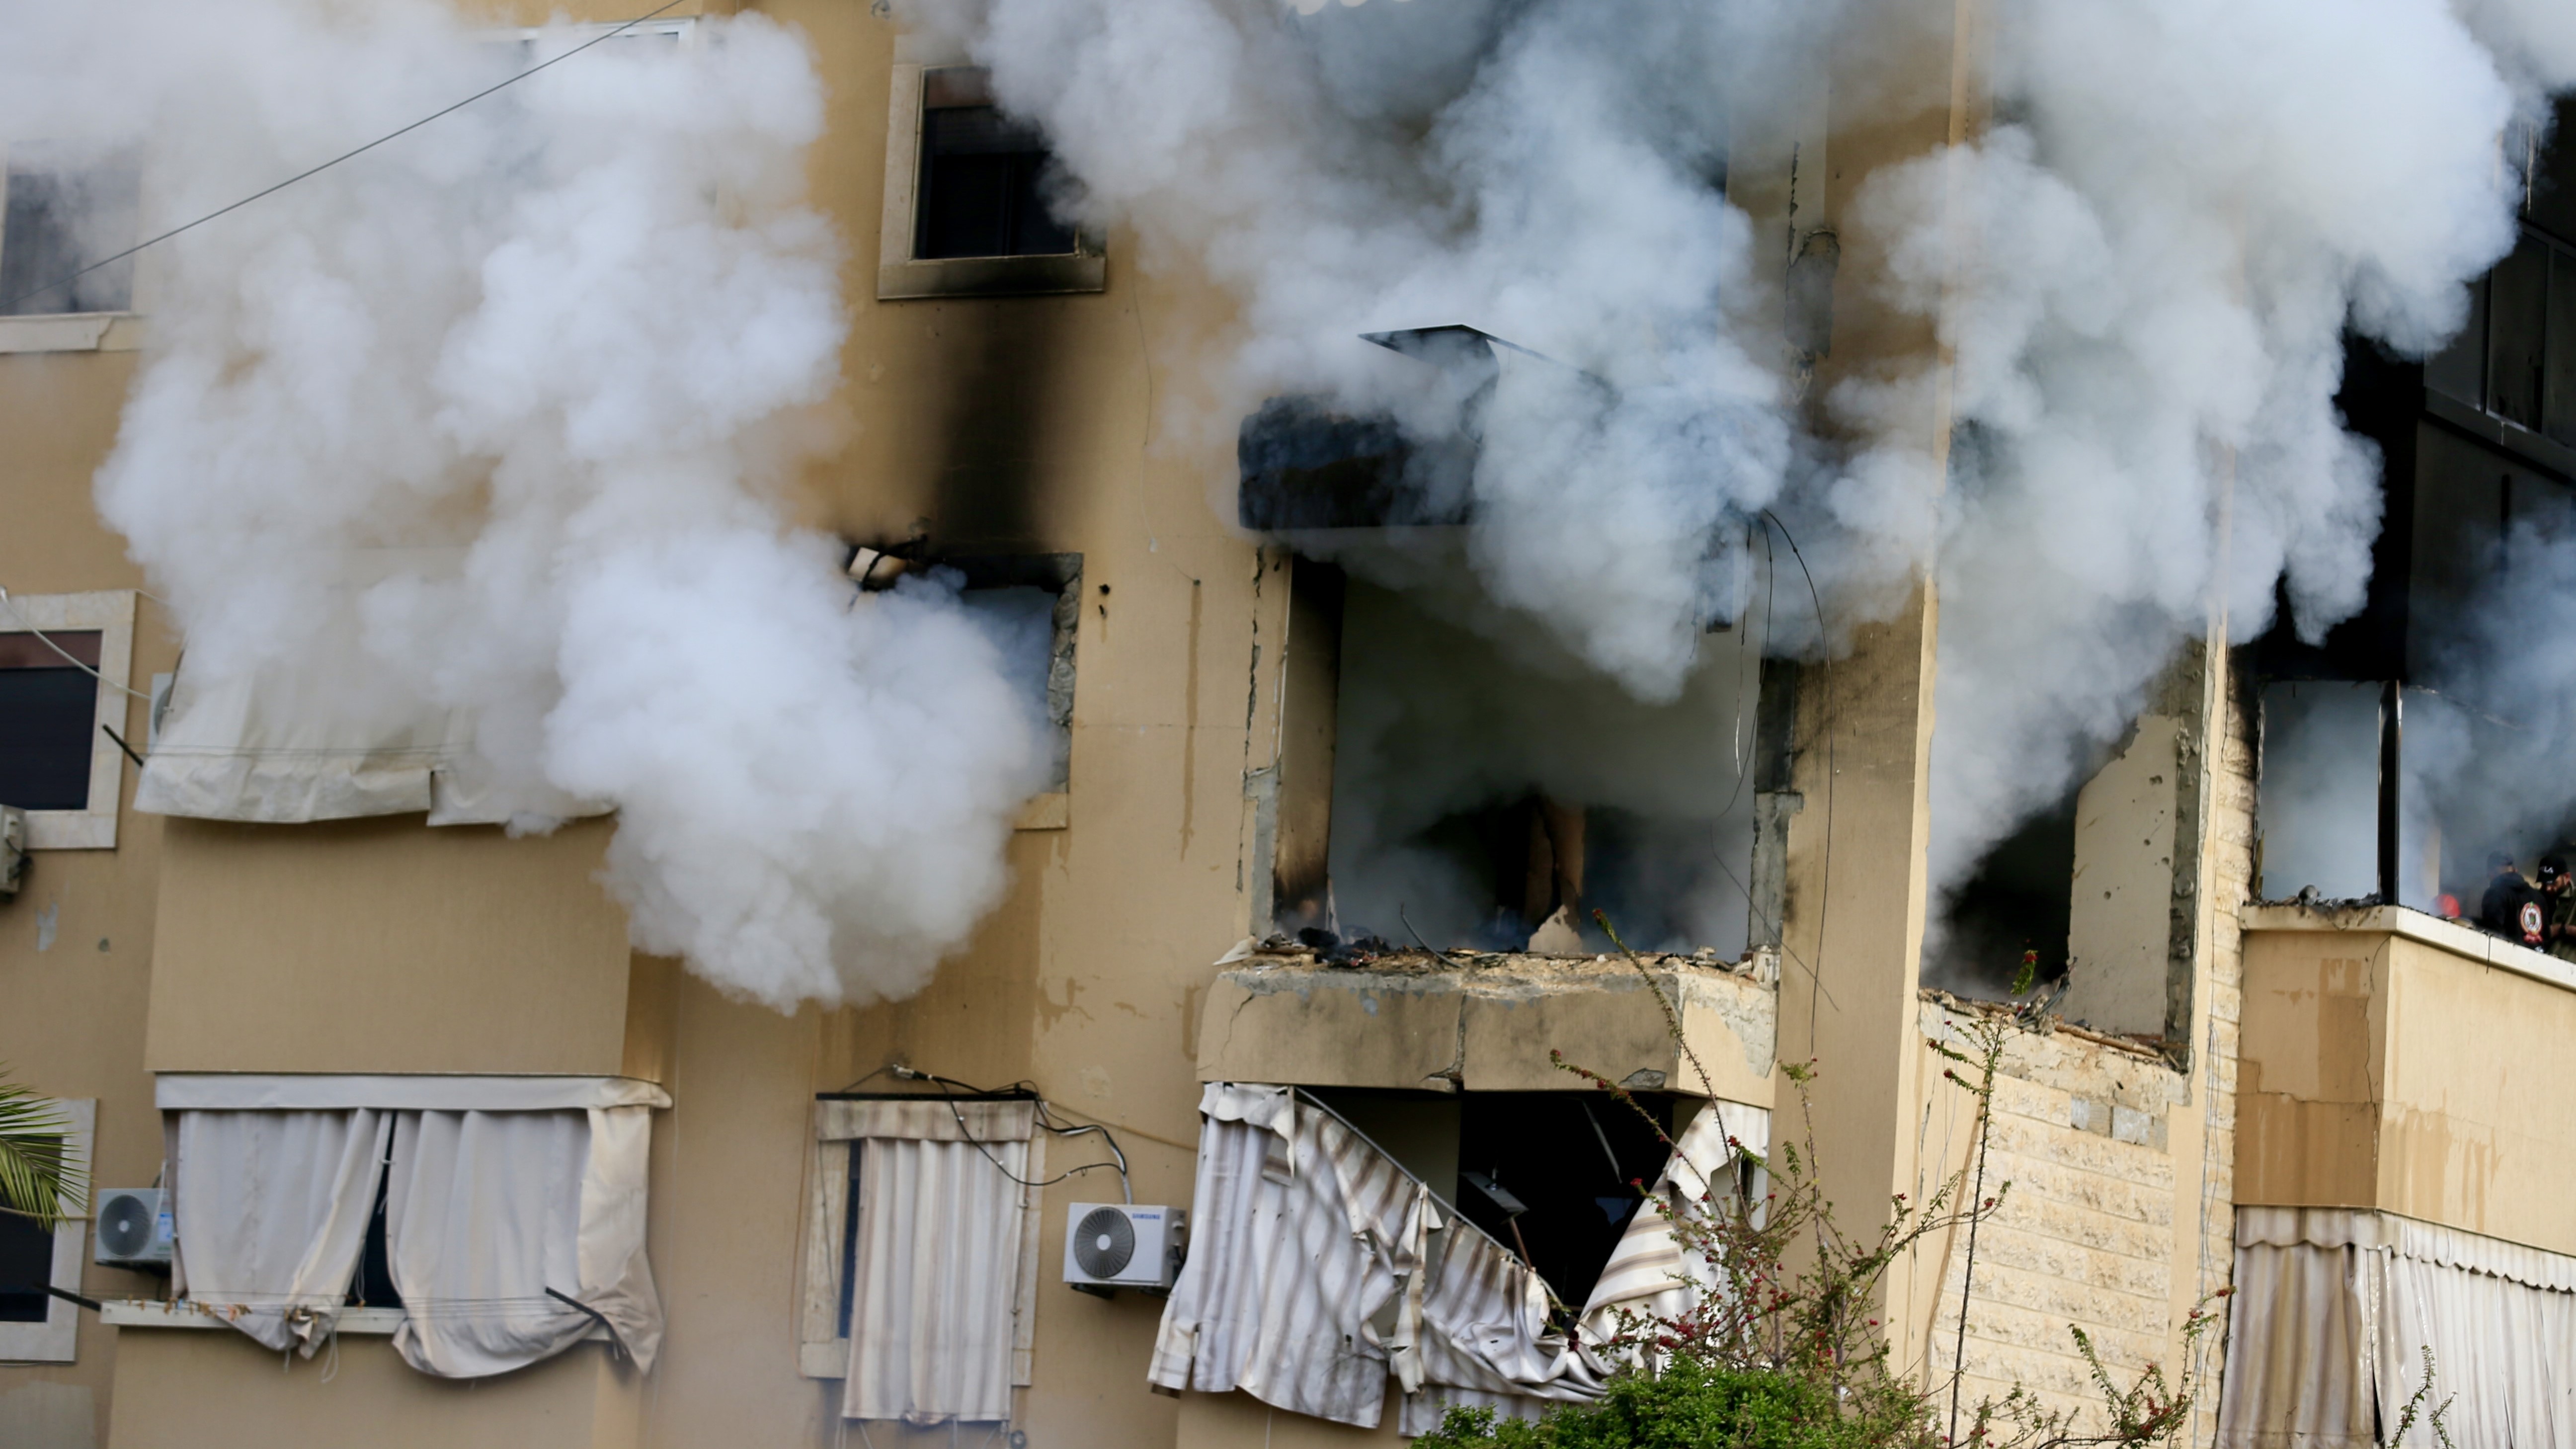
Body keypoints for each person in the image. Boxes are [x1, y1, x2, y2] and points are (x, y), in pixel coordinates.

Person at [2480, 852, 2546, 948]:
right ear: (2515, 871)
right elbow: (2546, 938)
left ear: (2491, 874)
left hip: (2506, 959)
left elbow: (2492, 934)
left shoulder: (2495, 893)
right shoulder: (2539, 898)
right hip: (2538, 960)